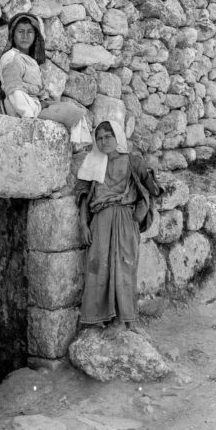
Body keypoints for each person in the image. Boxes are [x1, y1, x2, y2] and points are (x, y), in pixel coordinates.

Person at [75, 120, 162, 339]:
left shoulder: (133, 161)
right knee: (98, 267)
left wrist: (143, 207)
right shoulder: (92, 163)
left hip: (125, 220)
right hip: (100, 221)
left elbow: (153, 188)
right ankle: (98, 319)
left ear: (118, 138)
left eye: (108, 137)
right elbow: (84, 197)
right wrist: (83, 224)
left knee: (124, 267)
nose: (104, 141)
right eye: (99, 138)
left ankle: (123, 320)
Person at [0, 12, 92, 145]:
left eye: (29, 32)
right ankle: (76, 145)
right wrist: (29, 116)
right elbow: (13, 91)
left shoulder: (28, 59)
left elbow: (37, 90)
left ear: (36, 36)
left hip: (36, 106)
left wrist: (45, 102)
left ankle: (76, 146)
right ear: (13, 34)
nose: (25, 36)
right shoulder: (12, 58)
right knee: (73, 112)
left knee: (76, 108)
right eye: (20, 32)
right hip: (23, 110)